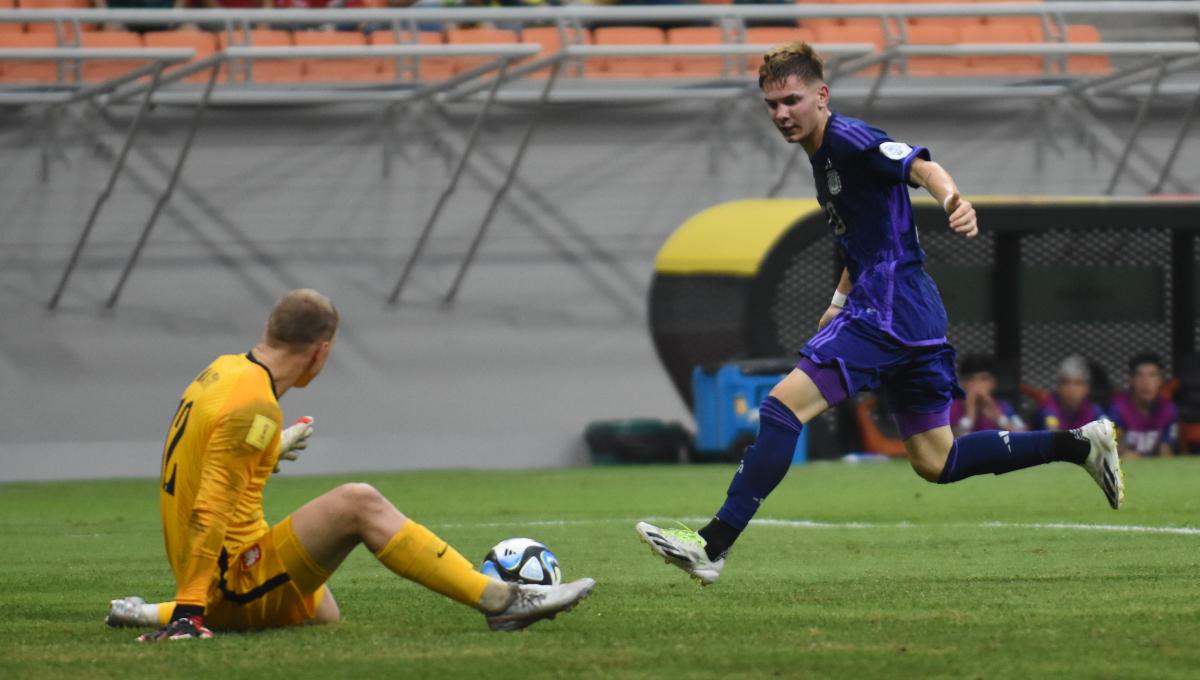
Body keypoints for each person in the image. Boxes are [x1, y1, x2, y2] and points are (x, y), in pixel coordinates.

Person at [635, 43, 1123, 586]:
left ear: (821, 96)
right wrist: (838, 301)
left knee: (781, 408)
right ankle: (1080, 442)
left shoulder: (848, 138)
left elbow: (921, 166)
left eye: (791, 100)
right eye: (771, 104)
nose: (781, 114)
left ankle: (712, 544)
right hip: (908, 310)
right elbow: (859, 237)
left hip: (887, 307)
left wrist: (953, 200)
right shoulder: (822, 156)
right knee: (937, 461)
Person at [106, 289, 593, 640]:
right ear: (320, 351)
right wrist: (191, 612)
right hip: (230, 581)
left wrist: (269, 450)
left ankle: (157, 611)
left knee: (323, 613)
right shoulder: (255, 408)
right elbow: (208, 508)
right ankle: (502, 601)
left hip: (232, 563)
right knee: (357, 503)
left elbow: (206, 460)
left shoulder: (225, 371)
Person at [1109, 352, 1178, 458]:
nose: (1146, 382)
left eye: (1152, 375)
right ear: (1131, 380)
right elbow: (1115, 448)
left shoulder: (1168, 409)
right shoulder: (1117, 407)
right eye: (1139, 375)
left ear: (1160, 381)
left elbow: (1166, 451)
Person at [949, 354, 1026, 436]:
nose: (977, 384)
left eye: (983, 379)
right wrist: (968, 417)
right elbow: (946, 440)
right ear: (962, 382)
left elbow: (1024, 434)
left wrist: (999, 418)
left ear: (992, 382)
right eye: (971, 379)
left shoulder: (1003, 406)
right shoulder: (950, 406)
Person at [1033, 355, 1106, 432]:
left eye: (1078, 383)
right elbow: (1052, 436)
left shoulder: (1094, 410)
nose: (1071, 389)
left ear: (1087, 388)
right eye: (1066, 382)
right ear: (1058, 386)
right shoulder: (1047, 408)